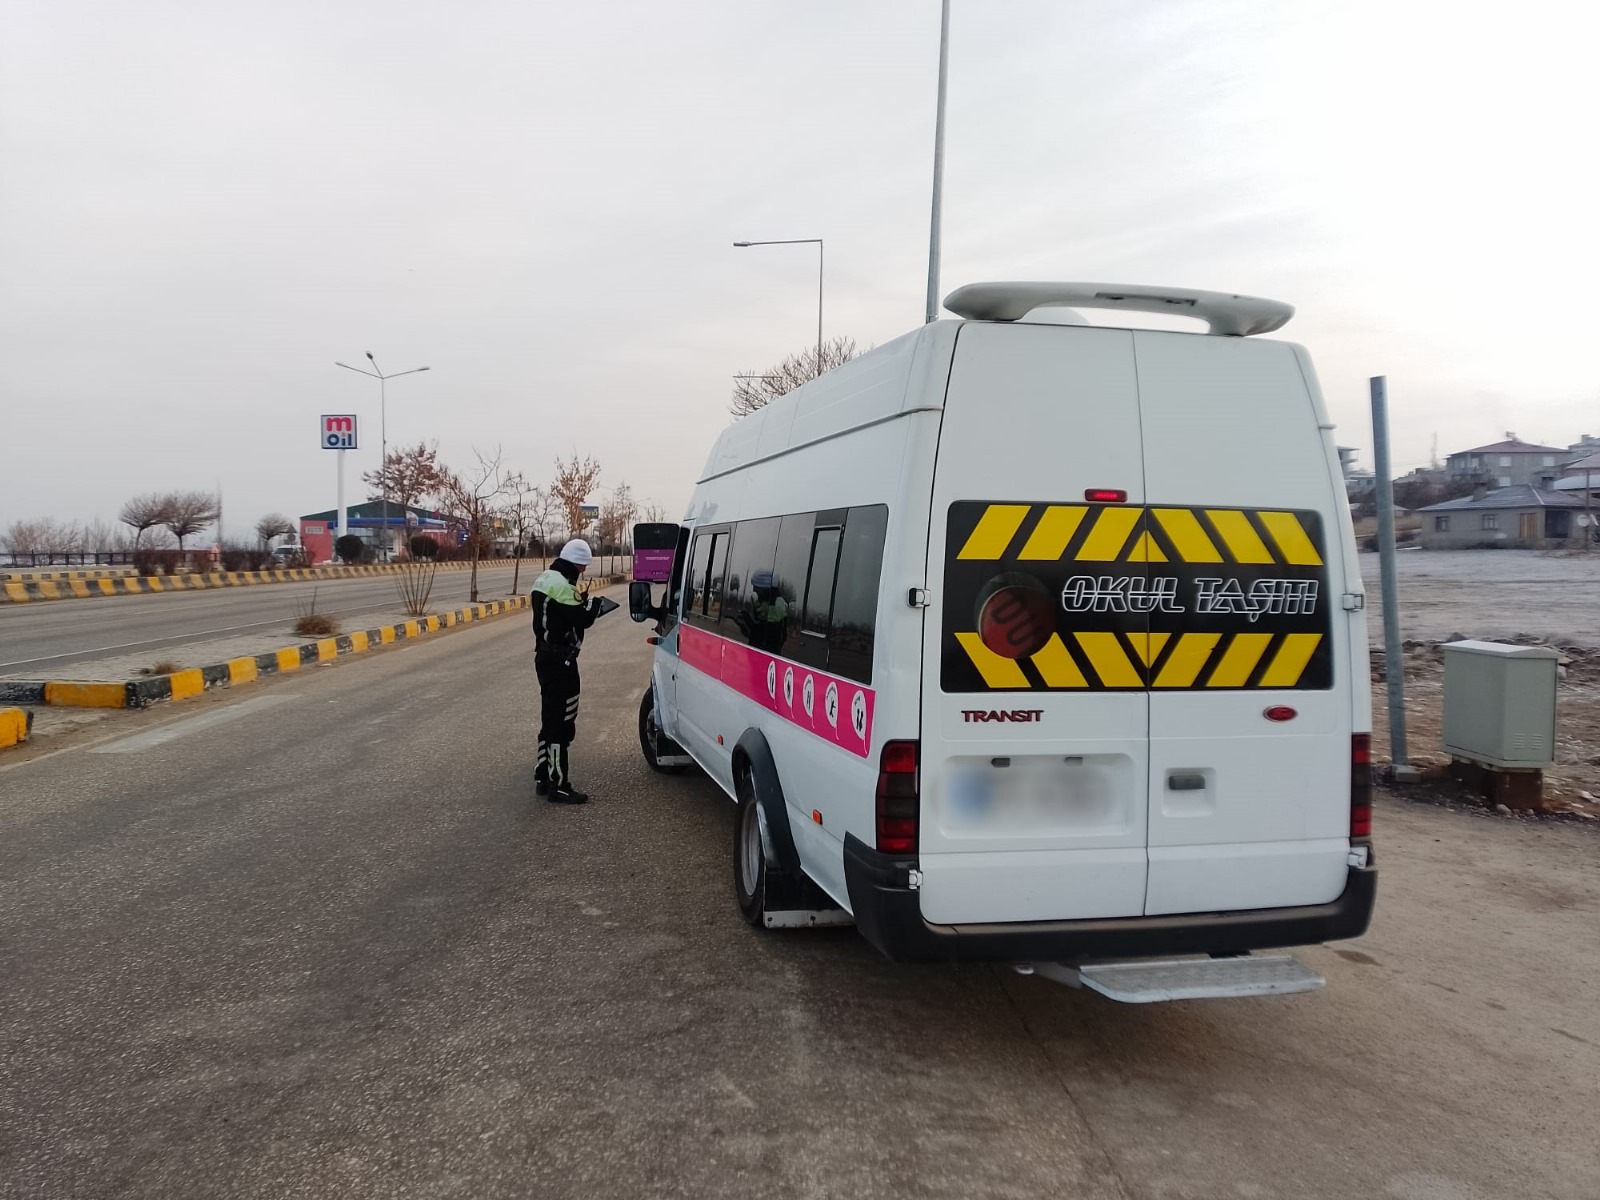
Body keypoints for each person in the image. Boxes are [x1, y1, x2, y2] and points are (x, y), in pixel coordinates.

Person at [531, 539, 604, 803]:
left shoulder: (545, 578)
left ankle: (543, 774)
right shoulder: (564, 587)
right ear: (577, 562)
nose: (583, 570)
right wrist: (594, 606)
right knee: (562, 722)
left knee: (549, 717)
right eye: (583, 565)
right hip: (561, 662)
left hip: (544, 657)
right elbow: (583, 619)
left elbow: (559, 614)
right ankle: (558, 784)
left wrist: (577, 601)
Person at [737, 569, 789, 654]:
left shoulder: (775, 604)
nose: (754, 590)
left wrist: (747, 620)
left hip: (767, 654)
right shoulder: (770, 602)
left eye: (756, 586)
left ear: (763, 587)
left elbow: (766, 633)